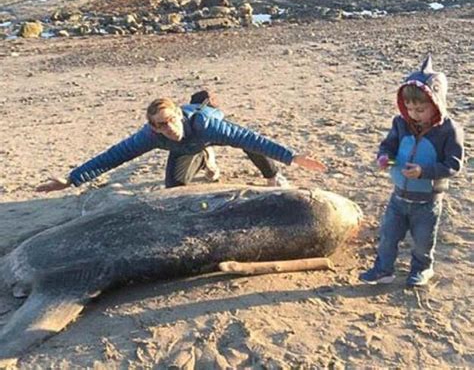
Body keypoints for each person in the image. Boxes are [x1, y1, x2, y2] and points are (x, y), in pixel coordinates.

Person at [36, 94, 326, 193]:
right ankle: (205, 158)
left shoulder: (204, 124)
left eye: (170, 120)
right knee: (173, 189)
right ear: (152, 126)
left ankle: (273, 176)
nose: (167, 128)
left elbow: (252, 137)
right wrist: (71, 179)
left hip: (207, 128)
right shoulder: (149, 136)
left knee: (247, 144)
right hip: (189, 148)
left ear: (178, 114)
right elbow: (112, 157)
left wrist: (293, 158)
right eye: (160, 125)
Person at [359, 55, 464, 287]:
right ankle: (383, 269)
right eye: (409, 107)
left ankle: (422, 269)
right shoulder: (401, 123)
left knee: (423, 241)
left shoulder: (449, 131)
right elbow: (388, 146)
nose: (414, 113)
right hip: (398, 196)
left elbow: (453, 165)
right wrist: (384, 157)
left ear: (437, 103)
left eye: (420, 109)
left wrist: (424, 171)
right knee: (388, 236)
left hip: (427, 201)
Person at [189, 90, 290, 187]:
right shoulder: (191, 122)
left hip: (205, 135)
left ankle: (273, 175)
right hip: (197, 138)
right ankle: (273, 176)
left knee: (248, 142)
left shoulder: (217, 125)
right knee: (248, 142)